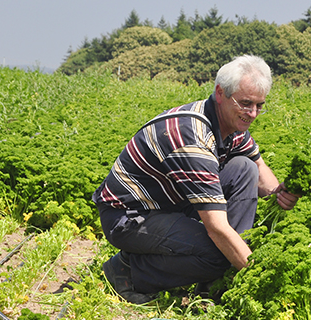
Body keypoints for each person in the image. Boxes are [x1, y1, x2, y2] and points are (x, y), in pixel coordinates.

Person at [92, 55, 300, 304]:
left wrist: (279, 192)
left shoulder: (229, 124)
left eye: (259, 105)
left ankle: (213, 279)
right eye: (246, 103)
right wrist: (256, 277)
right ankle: (128, 270)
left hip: (171, 204)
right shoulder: (192, 138)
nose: (253, 113)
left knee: (243, 168)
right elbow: (217, 229)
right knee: (221, 253)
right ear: (220, 93)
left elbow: (257, 166)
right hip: (130, 217)